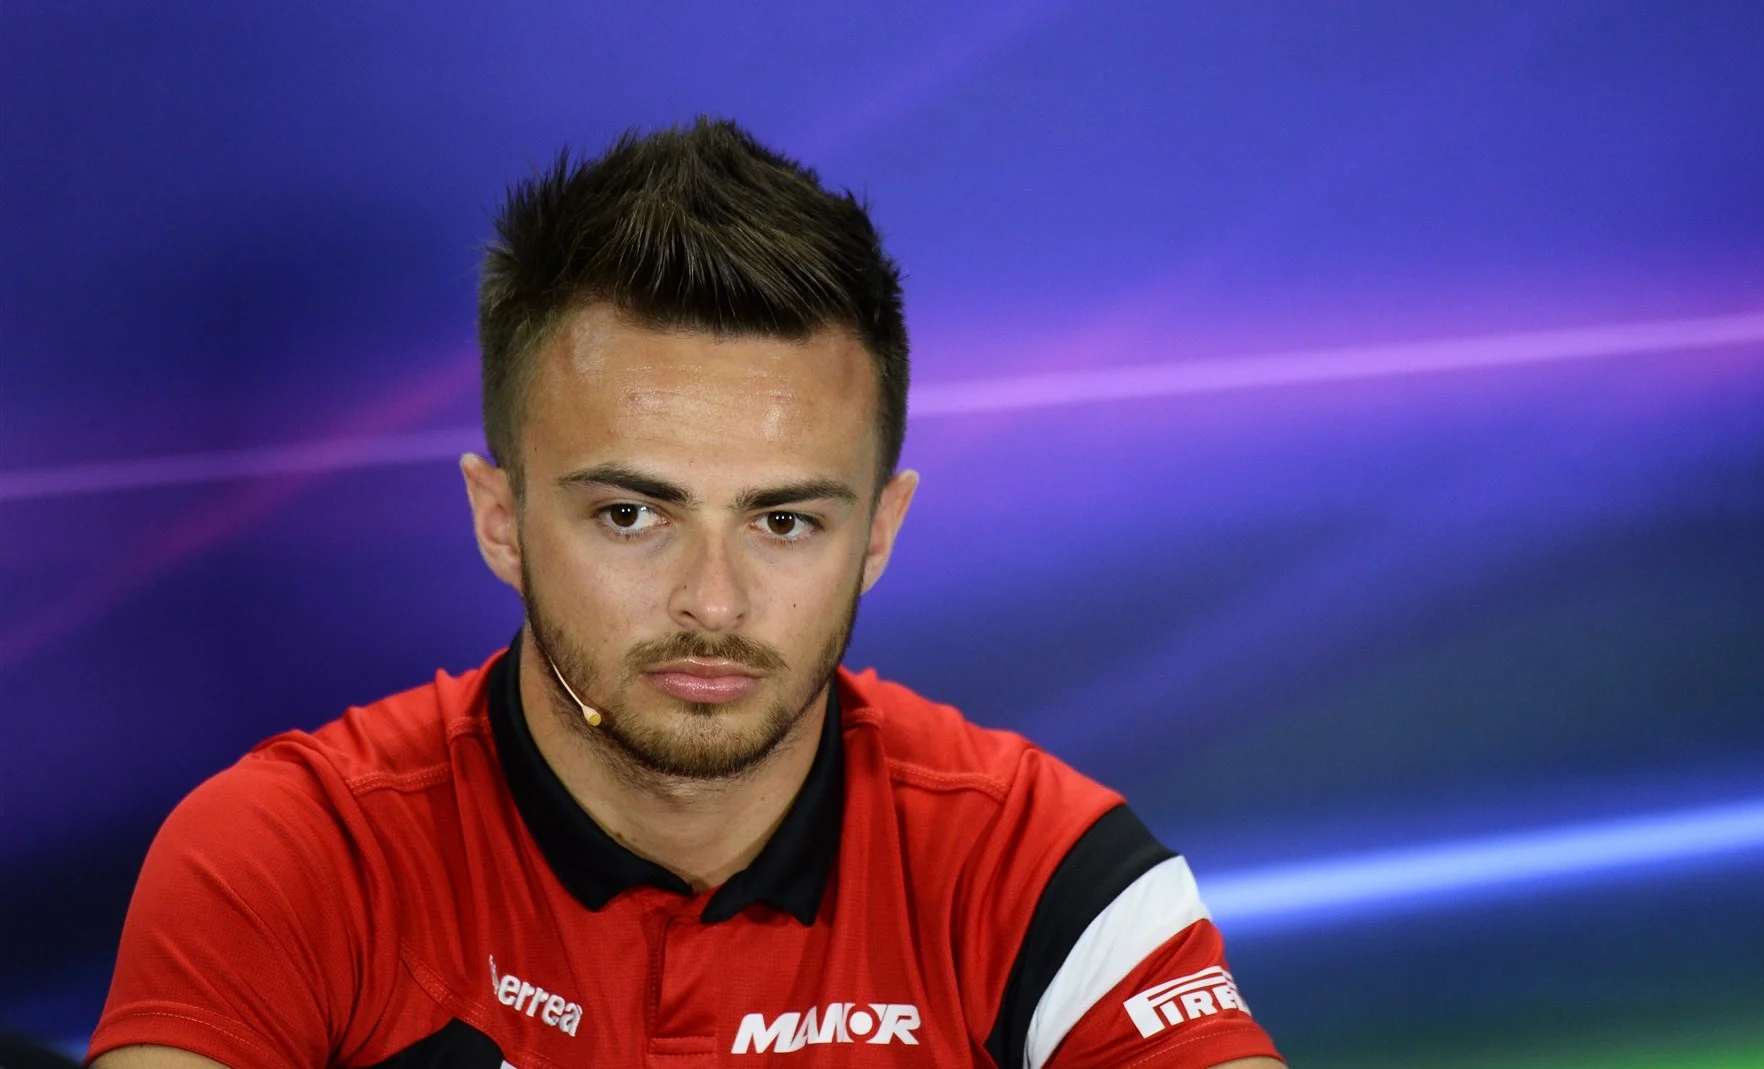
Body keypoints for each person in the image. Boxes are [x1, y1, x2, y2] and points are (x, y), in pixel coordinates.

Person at [89, 119, 1284, 1069]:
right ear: (498, 518)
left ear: (879, 532)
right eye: (631, 514)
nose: (712, 601)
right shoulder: (289, 853)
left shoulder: (1044, 870)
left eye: (782, 520)